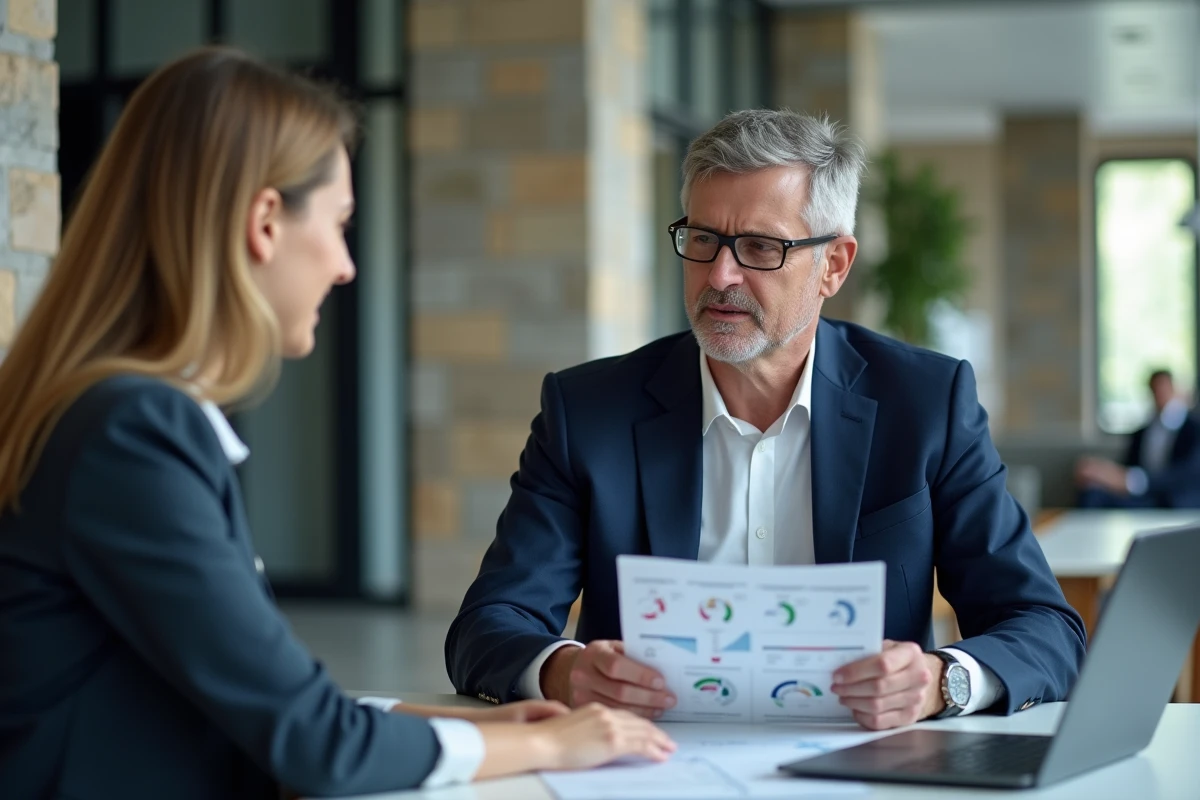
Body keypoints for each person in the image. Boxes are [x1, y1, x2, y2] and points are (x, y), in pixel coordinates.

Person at [0, 47, 673, 800]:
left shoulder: (112, 414)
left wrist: (486, 731)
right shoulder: (134, 434)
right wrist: (547, 742)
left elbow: (265, 705)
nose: (346, 265)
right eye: (339, 223)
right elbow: (310, 743)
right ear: (264, 222)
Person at [446, 110, 1086, 732]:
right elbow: (488, 624)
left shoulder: (925, 404)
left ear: (833, 265)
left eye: (760, 247)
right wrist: (563, 672)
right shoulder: (588, 411)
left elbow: (1044, 628)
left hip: (865, 766)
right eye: (703, 239)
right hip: (648, 762)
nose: (720, 275)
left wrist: (940, 682)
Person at [1075, 369, 1200, 508]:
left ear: (1174, 390)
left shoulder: (1194, 429)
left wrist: (1134, 481)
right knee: (1092, 492)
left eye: (1163, 389)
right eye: (1155, 390)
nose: (1159, 394)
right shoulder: (1142, 431)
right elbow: (1128, 465)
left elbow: (1186, 474)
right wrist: (1102, 471)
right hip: (1142, 497)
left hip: (1174, 498)